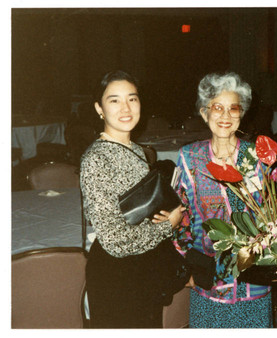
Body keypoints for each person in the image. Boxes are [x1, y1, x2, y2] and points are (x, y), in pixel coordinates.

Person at [80, 70, 187, 328]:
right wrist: (167, 225)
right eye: (114, 100)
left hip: (143, 268)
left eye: (132, 98)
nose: (126, 107)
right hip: (118, 276)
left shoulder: (137, 150)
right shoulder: (97, 159)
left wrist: (163, 214)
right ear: (99, 108)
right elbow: (114, 240)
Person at [172, 72, 273, 328]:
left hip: (254, 279)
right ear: (205, 113)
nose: (225, 116)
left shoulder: (258, 157)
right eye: (217, 108)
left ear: (242, 114)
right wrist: (187, 266)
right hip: (209, 279)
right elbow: (179, 218)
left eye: (233, 108)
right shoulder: (190, 158)